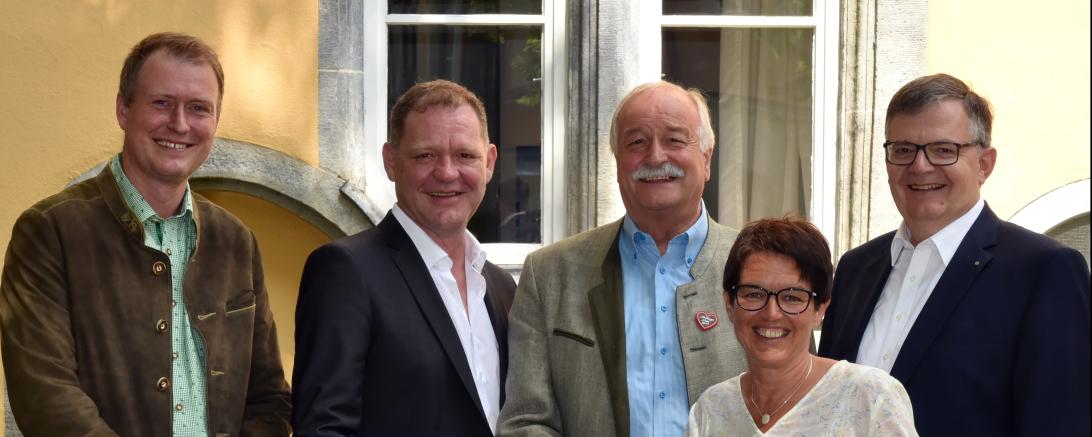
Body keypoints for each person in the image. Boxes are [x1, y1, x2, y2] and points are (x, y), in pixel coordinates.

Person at [0, 32, 292, 436]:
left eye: (199, 108)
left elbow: (269, 398)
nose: (180, 123)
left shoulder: (236, 242)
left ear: (216, 121)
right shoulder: (50, 232)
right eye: (161, 103)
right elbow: (46, 395)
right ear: (123, 109)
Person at [818, 73, 1091, 436]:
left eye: (943, 149)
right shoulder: (855, 269)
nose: (920, 166)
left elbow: (1060, 424)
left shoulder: (1043, 271)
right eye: (903, 149)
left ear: (985, 164)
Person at [498, 81, 747, 437]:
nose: (656, 157)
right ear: (617, 162)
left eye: (675, 140)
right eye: (637, 142)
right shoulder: (550, 275)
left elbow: (800, 408)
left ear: (706, 158)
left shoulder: (759, 268)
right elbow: (526, 422)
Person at [293, 79, 517, 436]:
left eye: (465, 155)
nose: (446, 173)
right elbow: (324, 428)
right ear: (391, 161)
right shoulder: (346, 272)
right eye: (425, 155)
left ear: (489, 163)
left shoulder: (501, 287)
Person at [687, 217, 917, 436]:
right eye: (754, 294)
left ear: (820, 309)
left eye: (792, 297)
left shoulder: (869, 397)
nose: (771, 313)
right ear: (729, 304)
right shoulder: (710, 410)